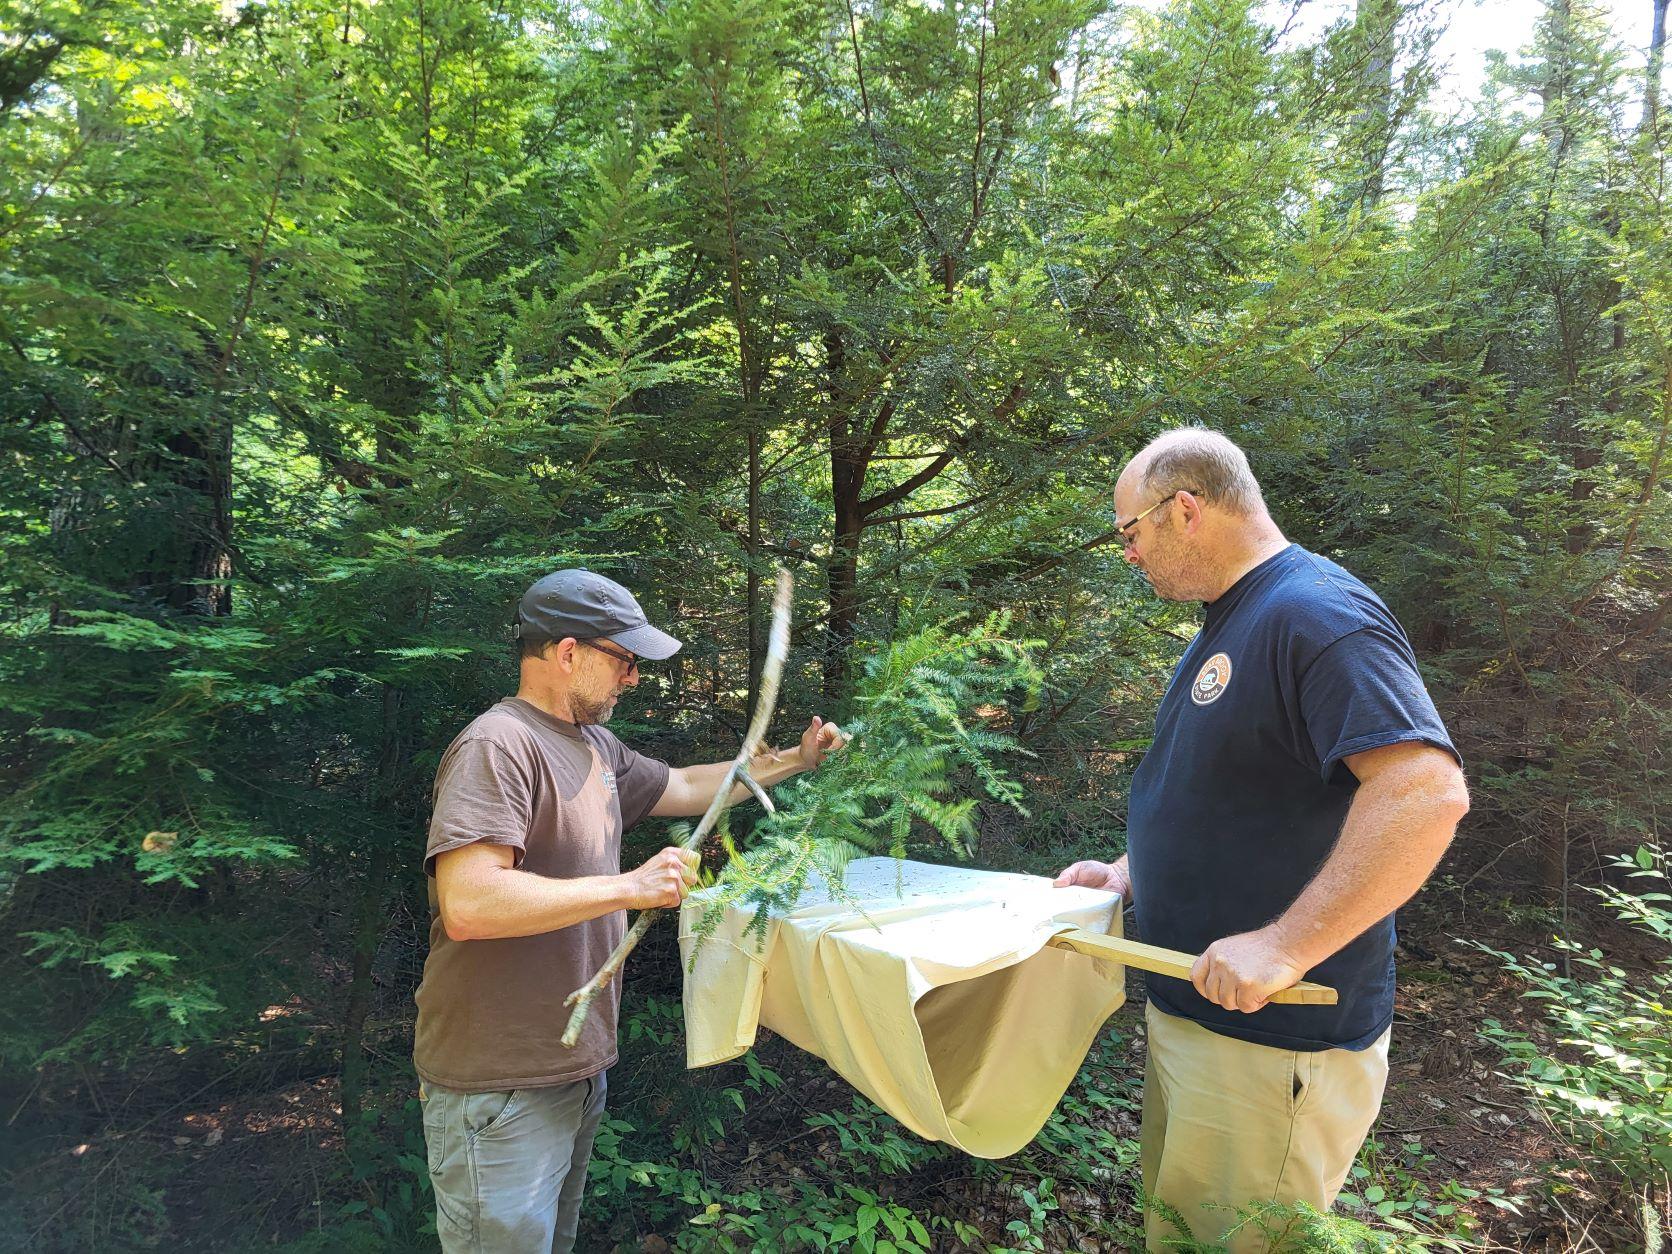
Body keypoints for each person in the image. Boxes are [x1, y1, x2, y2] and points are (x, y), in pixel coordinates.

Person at [1054, 429, 1469, 1252]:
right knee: (1183, 1232)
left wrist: (1285, 945)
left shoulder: (1314, 614)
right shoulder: (1234, 619)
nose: (1127, 554)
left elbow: (1424, 793)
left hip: (1274, 1039)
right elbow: (1230, 789)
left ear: (1186, 510)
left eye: (1129, 533)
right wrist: (1130, 872)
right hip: (1200, 1015)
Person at [413, 569, 845, 1254]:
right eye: (624, 659)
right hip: (498, 1084)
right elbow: (469, 902)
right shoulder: (498, 746)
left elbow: (683, 785)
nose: (633, 677)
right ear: (567, 652)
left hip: (572, 1070)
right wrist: (628, 886)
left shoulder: (594, 746)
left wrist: (795, 759)